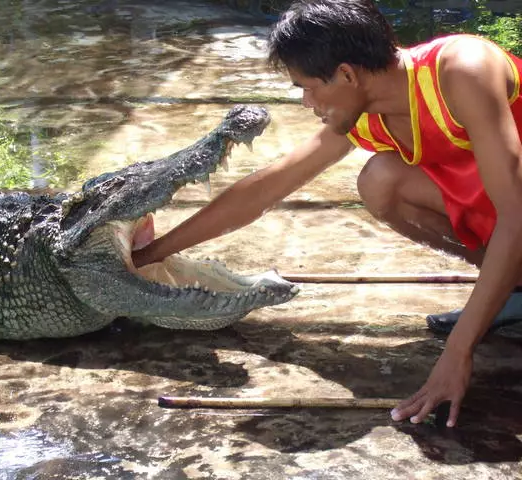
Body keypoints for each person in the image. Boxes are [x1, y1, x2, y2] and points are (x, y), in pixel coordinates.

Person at [132, 0, 522, 427]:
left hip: (515, 207)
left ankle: (504, 287)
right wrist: (154, 254)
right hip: (503, 204)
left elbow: (515, 215)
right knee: (381, 181)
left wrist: (457, 353)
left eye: (307, 86)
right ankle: (511, 289)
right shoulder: (359, 110)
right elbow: (266, 187)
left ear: (348, 74)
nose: (305, 101)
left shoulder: (462, 70)